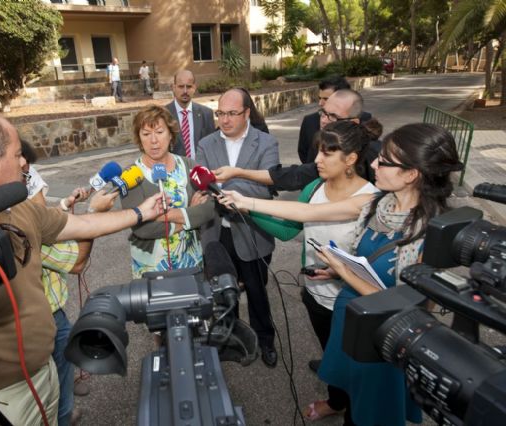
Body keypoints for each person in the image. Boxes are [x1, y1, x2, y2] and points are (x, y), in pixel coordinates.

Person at [0, 104, 164, 425]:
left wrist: (140, 213)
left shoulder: (19, 211)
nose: (24, 161)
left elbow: (77, 226)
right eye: (16, 154)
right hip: (2, 400)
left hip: (46, 372)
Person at [217, 123, 464, 425]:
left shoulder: (429, 235)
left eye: (384, 161)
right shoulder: (377, 204)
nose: (373, 163)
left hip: (383, 338)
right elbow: (307, 213)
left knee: (369, 414)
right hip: (353, 319)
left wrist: (343, 272)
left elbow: (409, 308)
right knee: (352, 397)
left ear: (412, 174)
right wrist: (246, 202)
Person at [20, 140, 117, 426]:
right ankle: (63, 415)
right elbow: (76, 263)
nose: (39, 191)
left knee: (58, 367)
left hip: (43, 314)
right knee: (54, 384)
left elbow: (47, 215)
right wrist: (94, 215)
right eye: (32, 185)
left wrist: (64, 204)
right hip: (43, 319)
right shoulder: (23, 229)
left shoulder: (14, 210)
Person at [293, 121, 381, 421]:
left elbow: (373, 264)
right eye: (318, 151)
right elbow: (293, 220)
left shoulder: (372, 200)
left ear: (351, 159)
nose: (317, 160)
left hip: (352, 305)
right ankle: (335, 400)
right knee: (330, 357)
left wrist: (337, 272)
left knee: (354, 369)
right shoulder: (316, 186)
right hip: (316, 297)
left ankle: (352, 412)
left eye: (326, 154)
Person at [196, 88, 280, 368]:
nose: (225, 119)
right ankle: (227, 339)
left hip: (253, 232)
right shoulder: (206, 144)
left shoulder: (266, 143)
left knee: (257, 291)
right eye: (220, 113)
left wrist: (226, 186)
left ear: (247, 113)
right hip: (217, 233)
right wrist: (223, 190)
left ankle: (265, 339)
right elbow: (200, 183)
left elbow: (266, 189)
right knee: (221, 291)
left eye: (232, 113)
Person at [213, 88, 380, 191]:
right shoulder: (322, 143)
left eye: (333, 116)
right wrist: (239, 173)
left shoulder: (373, 158)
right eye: (323, 113)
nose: (323, 120)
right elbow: (295, 175)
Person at [120, 105, 215, 278]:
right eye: (146, 134)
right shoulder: (130, 176)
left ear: (171, 134)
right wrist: (190, 215)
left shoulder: (189, 165)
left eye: (159, 132)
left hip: (191, 258)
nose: (153, 140)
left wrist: (161, 215)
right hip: (151, 266)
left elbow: (209, 208)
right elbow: (142, 228)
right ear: (139, 139)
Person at [298, 76, 372, 163]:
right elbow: (303, 152)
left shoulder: (364, 119)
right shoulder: (309, 121)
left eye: (326, 99)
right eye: (320, 98)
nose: (320, 103)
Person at [166, 70, 215, 159]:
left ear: (194, 88)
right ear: (173, 87)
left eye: (189, 86)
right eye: (181, 86)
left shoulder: (206, 114)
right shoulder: (163, 114)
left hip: (200, 169)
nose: (185, 91)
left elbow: (212, 146)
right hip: (174, 170)